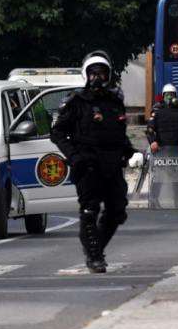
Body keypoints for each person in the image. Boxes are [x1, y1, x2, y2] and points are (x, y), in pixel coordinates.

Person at [50, 50, 136, 273]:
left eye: (102, 73)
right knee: (90, 210)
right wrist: (74, 156)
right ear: (85, 75)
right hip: (88, 164)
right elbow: (58, 132)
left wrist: (127, 148)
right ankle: (95, 257)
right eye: (93, 73)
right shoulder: (77, 102)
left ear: (109, 75)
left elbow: (118, 131)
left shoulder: (115, 101)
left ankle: (93, 248)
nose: (97, 78)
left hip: (112, 164)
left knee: (117, 210)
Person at [146, 83, 178, 154]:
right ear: (163, 96)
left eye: (171, 95)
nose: (169, 97)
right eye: (167, 95)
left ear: (176, 96)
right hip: (161, 148)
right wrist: (153, 141)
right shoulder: (157, 109)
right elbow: (150, 128)